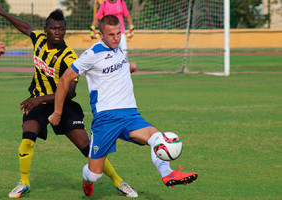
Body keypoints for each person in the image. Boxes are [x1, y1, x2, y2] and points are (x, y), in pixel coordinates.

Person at [0, 2, 137, 199]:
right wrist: (2, 12)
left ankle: (119, 182)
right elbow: (25, 26)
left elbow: (70, 92)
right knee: (27, 139)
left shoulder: (68, 56)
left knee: (89, 149)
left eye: (61, 29)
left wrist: (39, 98)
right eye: (54, 28)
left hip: (63, 105)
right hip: (38, 104)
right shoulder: (39, 39)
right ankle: (23, 183)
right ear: (46, 30)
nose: (58, 32)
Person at [49, 15, 198, 198]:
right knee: (95, 174)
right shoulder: (91, 54)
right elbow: (64, 79)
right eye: (111, 34)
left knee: (156, 137)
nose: (116, 38)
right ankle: (86, 179)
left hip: (129, 113)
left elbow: (112, 67)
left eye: (119, 33)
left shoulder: (118, 46)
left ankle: (167, 174)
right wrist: (57, 112)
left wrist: (128, 67)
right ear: (101, 35)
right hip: (106, 118)